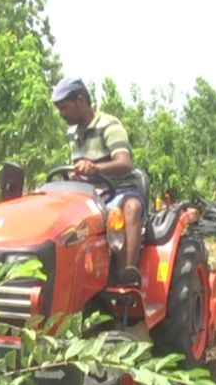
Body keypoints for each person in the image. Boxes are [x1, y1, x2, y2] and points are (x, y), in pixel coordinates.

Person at [51, 76, 145, 286]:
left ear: (81, 100)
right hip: (88, 194)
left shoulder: (110, 125)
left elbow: (125, 163)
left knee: (129, 208)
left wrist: (95, 168)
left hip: (119, 191)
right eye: (59, 109)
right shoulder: (72, 133)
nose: (62, 114)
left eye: (65, 108)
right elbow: (78, 166)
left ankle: (127, 273)